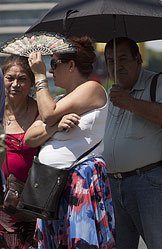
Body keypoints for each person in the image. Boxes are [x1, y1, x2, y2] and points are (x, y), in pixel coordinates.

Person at [24, 36, 115, 248]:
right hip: (52, 187)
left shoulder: (92, 88)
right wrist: (56, 126)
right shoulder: (58, 100)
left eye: (54, 64)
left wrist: (38, 76)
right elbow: (29, 137)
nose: (50, 70)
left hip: (80, 180)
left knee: (81, 241)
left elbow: (47, 114)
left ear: (71, 65)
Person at [102, 37, 162, 249]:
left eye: (123, 59)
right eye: (110, 61)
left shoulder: (159, 83)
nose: (116, 67)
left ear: (138, 59)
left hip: (151, 184)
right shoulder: (111, 92)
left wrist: (129, 102)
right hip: (115, 185)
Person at [0, 55, 38, 249]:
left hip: (32, 204)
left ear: (31, 82)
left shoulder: (42, 111)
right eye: (10, 78)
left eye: (22, 79)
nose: (15, 84)